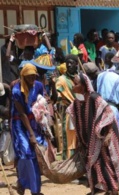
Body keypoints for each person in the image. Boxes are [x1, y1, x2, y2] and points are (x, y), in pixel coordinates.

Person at [66, 73, 119, 195]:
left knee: (105, 164)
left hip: (103, 137)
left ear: (84, 85)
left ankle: (112, 189)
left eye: (76, 84)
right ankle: (100, 189)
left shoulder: (94, 98)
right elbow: (74, 116)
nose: (73, 86)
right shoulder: (77, 102)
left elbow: (109, 114)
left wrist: (107, 135)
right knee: (94, 165)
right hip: (90, 141)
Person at [11, 63, 47, 195]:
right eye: (29, 76)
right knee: (26, 153)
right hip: (19, 124)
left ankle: (34, 189)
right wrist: (31, 135)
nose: (32, 78)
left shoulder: (38, 85)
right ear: (23, 76)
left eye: (34, 75)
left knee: (35, 155)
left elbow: (42, 100)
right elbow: (22, 114)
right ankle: (24, 183)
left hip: (34, 122)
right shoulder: (17, 90)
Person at [55, 54, 78, 159]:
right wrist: (52, 84)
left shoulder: (80, 78)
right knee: (69, 138)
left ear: (76, 64)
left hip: (81, 112)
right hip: (69, 112)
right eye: (67, 63)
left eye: (71, 62)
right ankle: (69, 163)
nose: (69, 65)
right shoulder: (62, 80)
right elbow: (56, 96)